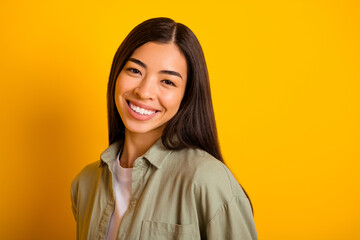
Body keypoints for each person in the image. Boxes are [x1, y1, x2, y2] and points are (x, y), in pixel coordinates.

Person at [71, 17, 257, 240]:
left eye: (168, 81)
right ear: (116, 74)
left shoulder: (207, 179)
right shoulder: (85, 183)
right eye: (134, 70)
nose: (144, 91)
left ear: (185, 96)